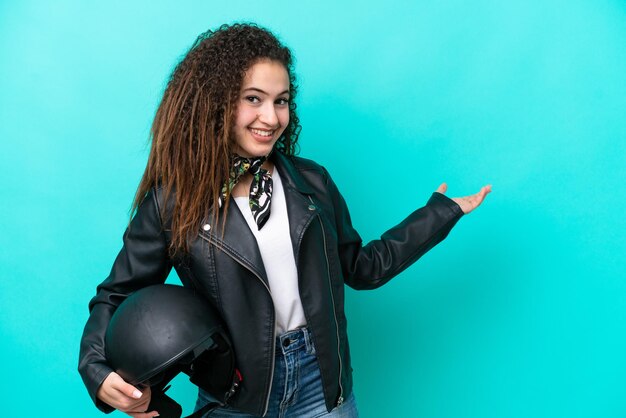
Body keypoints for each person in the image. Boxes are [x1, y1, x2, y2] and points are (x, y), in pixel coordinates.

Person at [78, 23, 491, 418]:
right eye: (253, 98)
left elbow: (363, 268)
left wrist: (439, 214)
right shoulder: (172, 203)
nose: (272, 118)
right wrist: (97, 373)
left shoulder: (311, 181)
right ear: (215, 102)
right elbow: (117, 294)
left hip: (321, 382)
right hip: (234, 394)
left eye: (281, 100)